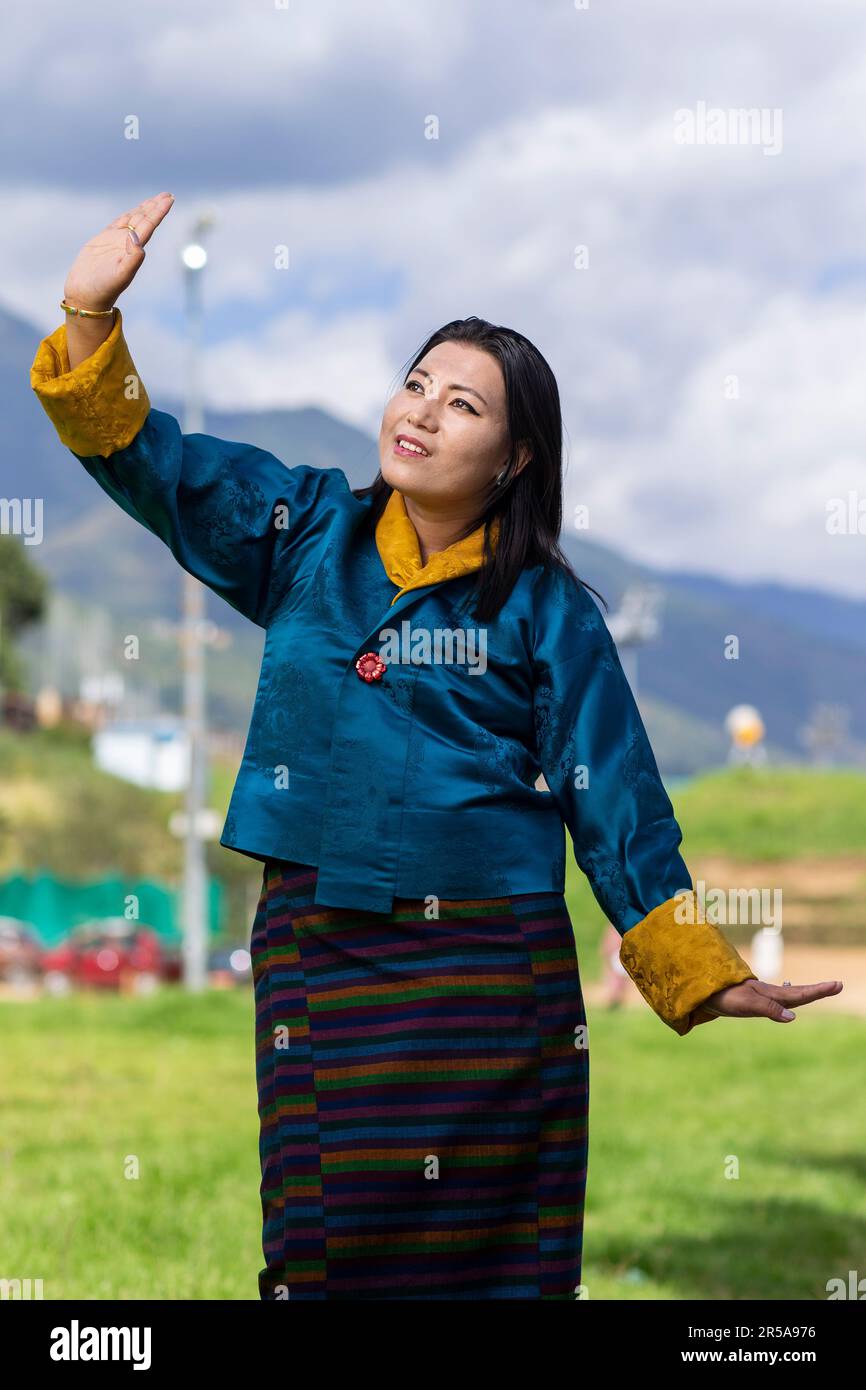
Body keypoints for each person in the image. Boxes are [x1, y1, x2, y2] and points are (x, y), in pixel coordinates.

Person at [30, 192, 844, 1302]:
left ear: (512, 459)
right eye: (415, 384)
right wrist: (86, 315)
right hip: (323, 954)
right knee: (320, 1249)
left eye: (459, 405)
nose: (418, 412)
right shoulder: (306, 530)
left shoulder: (550, 611)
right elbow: (158, 467)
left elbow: (615, 800)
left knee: (494, 1261)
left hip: (488, 975)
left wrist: (700, 974)